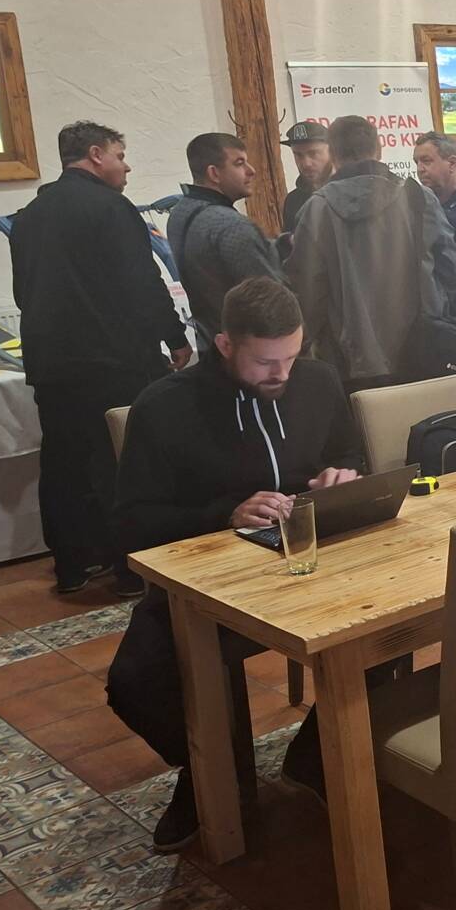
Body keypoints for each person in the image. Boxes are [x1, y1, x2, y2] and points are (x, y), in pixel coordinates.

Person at [108, 277, 362, 851]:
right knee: (134, 682)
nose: (282, 374)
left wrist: (341, 475)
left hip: (316, 560)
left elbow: (347, 452)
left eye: (291, 356)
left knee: (387, 626)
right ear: (224, 344)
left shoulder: (318, 381)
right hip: (208, 576)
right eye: (265, 362)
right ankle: (211, 769)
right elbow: (133, 523)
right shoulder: (165, 407)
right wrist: (225, 514)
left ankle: (315, 756)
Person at [9, 121, 190, 596]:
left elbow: (23, 293)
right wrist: (174, 336)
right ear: (95, 154)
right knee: (121, 460)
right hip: (112, 359)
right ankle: (130, 569)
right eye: (119, 155)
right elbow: (141, 282)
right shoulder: (112, 207)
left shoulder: (29, 216)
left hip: (52, 363)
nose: (126, 167)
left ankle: (71, 565)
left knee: (63, 461)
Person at [286, 114, 456, 390]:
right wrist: (435, 309)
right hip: (423, 345)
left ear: (333, 155)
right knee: (426, 416)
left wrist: (307, 346)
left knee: (365, 419)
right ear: (379, 149)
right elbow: (450, 270)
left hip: (348, 358)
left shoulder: (316, 209)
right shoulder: (418, 197)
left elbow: (308, 291)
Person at [170, 133, 281, 342]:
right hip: (248, 347)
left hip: (211, 342)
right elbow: (271, 302)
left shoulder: (179, 212)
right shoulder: (231, 225)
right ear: (214, 173)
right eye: (239, 163)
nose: (251, 170)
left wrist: (278, 246)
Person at [411, 130, 456, 258]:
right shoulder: (414, 207)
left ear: (452, 163)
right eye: (416, 162)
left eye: (426, 161)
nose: (419, 169)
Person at [280, 122, 331, 235]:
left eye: (314, 153)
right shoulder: (293, 200)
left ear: (332, 151)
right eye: (298, 155)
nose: (306, 163)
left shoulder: (349, 193)